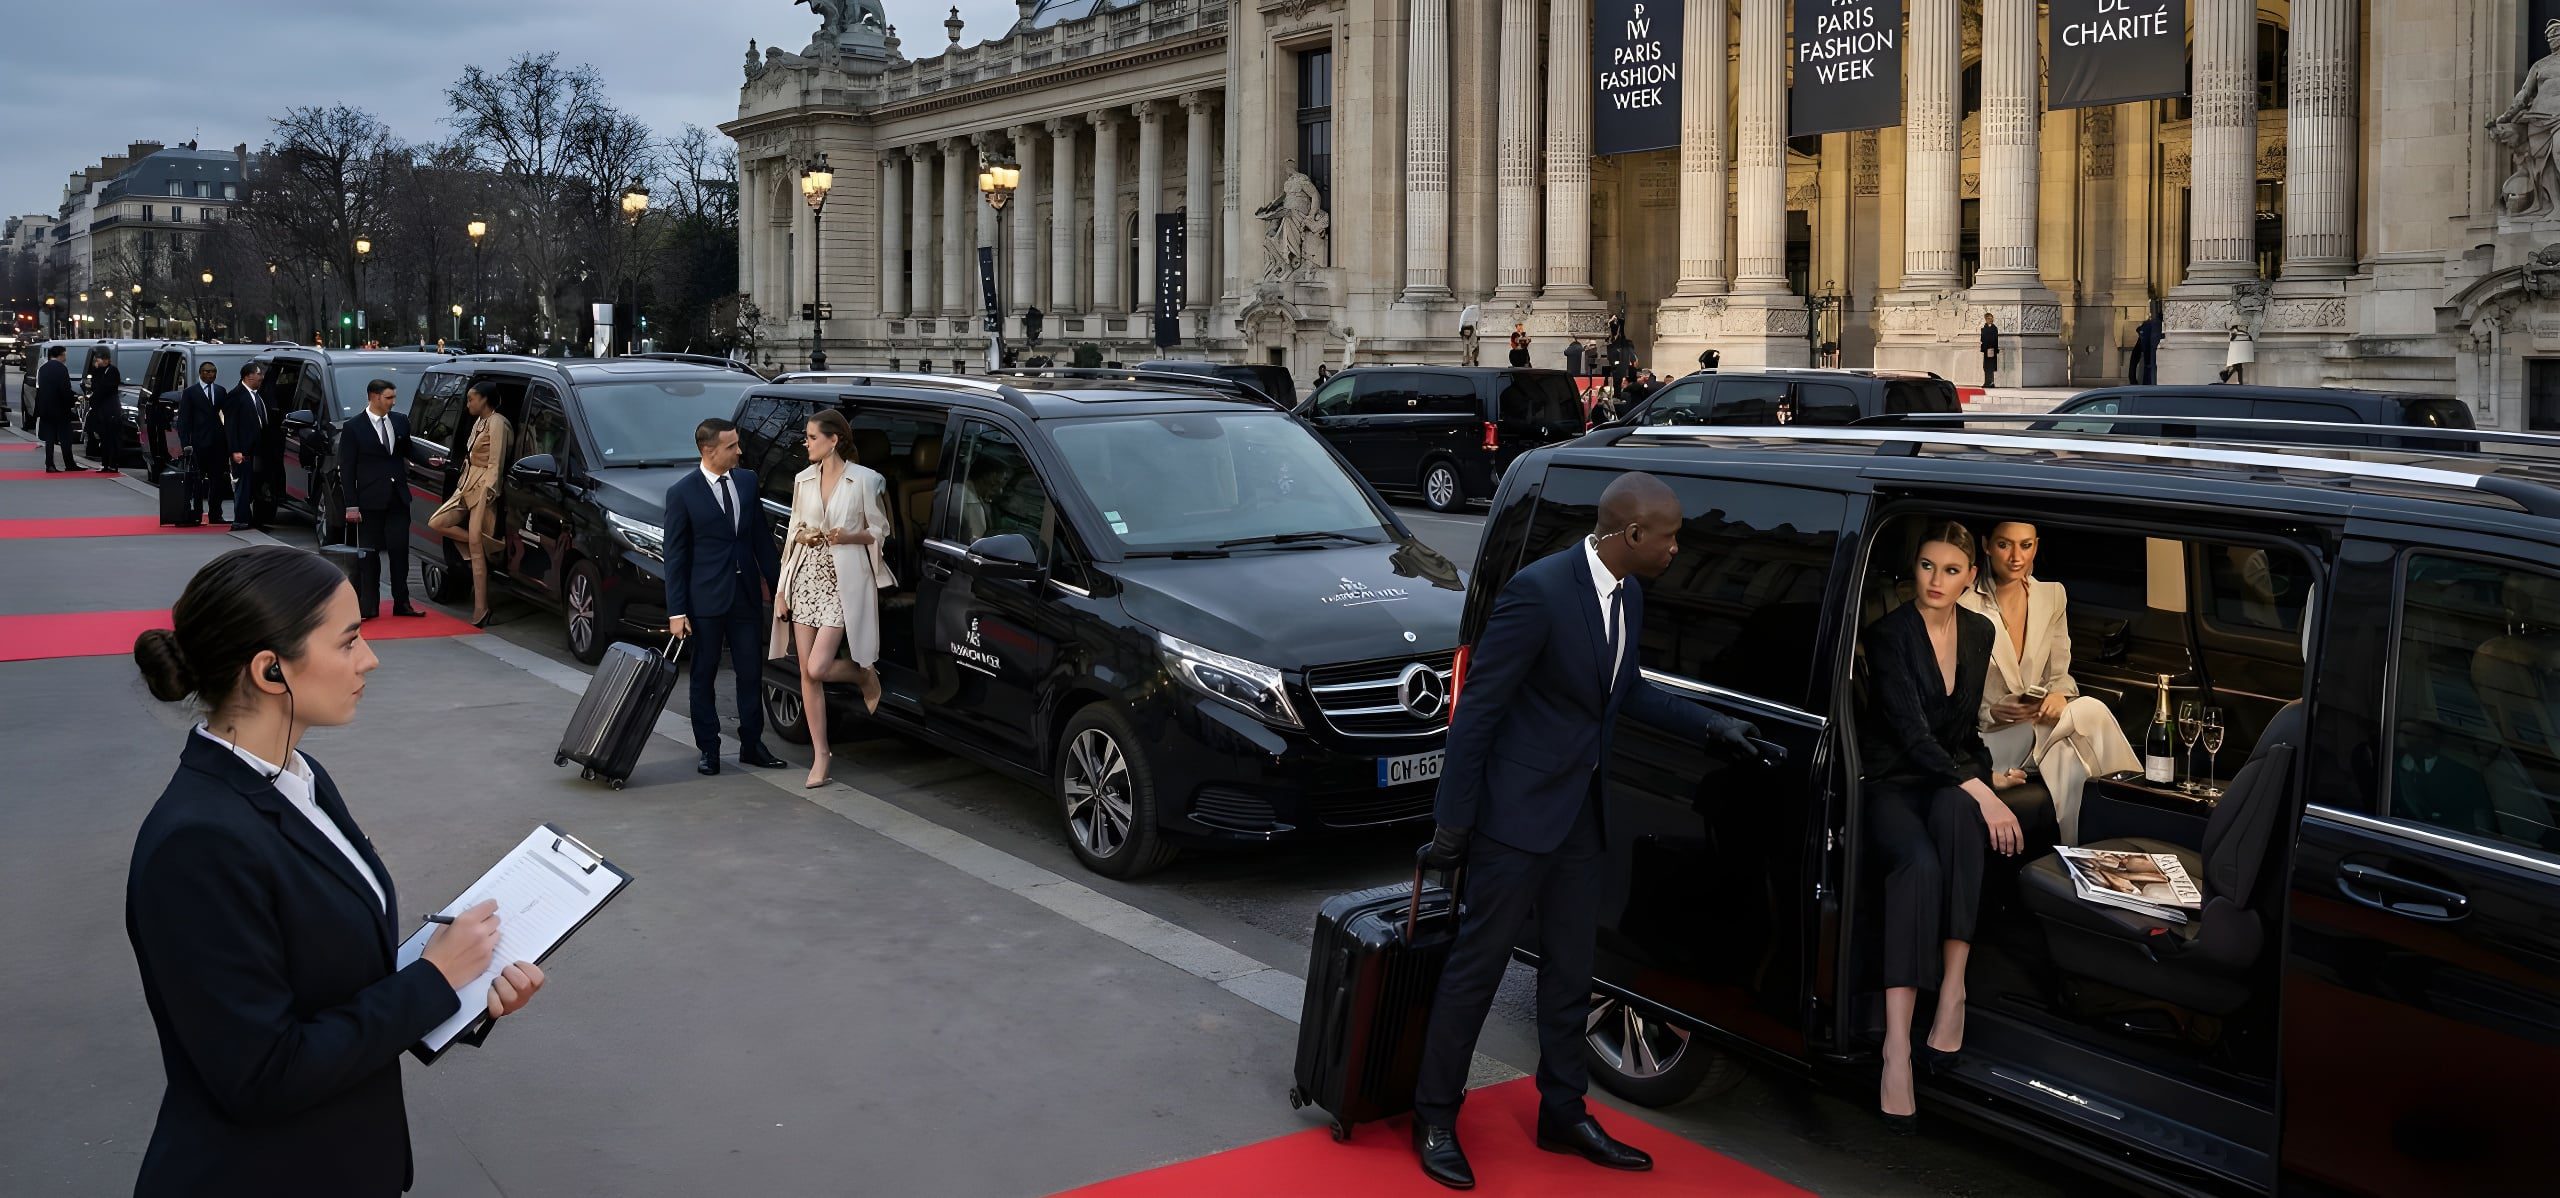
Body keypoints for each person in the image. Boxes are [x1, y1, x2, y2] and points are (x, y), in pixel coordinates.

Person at [124, 545, 544, 1195]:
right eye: (348, 641)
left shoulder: (298, 775)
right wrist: (432, 980)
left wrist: (463, 991)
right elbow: (261, 1076)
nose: (370, 659)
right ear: (271, 671)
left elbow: (331, 983)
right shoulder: (199, 844)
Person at [1410, 472, 1762, 1189]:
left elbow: (1624, 690)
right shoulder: (1539, 593)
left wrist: (1712, 725)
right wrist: (1453, 824)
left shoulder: (1628, 592)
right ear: (1632, 535)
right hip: (1514, 819)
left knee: (1573, 973)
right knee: (1476, 972)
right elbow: (1477, 712)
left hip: (1579, 818)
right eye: (1669, 537)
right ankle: (1435, 1115)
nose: (1676, 550)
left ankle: (1562, 1112)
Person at [1857, 521, 2030, 1128]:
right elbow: (1911, 734)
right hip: (1889, 781)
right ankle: (1896, 1047)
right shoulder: (1888, 635)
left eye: (1951, 570)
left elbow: (1963, 735)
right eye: (1927, 566)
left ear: (1970, 577)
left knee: (1961, 815)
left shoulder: (1980, 632)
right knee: (1919, 863)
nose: (1936, 580)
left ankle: (1953, 987)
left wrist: (1981, 782)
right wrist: (1982, 790)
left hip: (1945, 779)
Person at [1958, 521, 2139, 842]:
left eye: (2025, 545)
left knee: (2067, 757)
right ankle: (2142, 812)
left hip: (2041, 725)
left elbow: (2060, 677)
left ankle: (2078, 855)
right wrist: (1994, 713)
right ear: (1986, 545)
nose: (2016, 557)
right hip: (1991, 738)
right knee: (2091, 711)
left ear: (2036, 546)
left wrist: (2059, 696)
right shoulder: (1964, 605)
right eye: (2004, 545)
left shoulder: (2052, 596)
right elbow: (1956, 700)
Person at [770, 409, 893, 788]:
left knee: (819, 667)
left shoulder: (865, 481)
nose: (805, 443)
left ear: (833, 440)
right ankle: (820, 754)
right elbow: (792, 533)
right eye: (806, 437)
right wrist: (781, 590)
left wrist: (849, 536)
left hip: (843, 581)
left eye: (811, 437)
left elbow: (881, 530)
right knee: (807, 674)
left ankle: (863, 674)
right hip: (805, 576)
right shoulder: (803, 479)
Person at [664, 417, 785, 777]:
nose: (739, 451)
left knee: (750, 672)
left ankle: (752, 744)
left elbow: (761, 541)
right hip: (705, 601)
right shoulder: (682, 493)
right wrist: (677, 611)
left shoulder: (747, 482)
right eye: (732, 446)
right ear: (709, 450)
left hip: (745, 596)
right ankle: (709, 748)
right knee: (703, 674)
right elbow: (676, 556)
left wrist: (780, 589)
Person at [340, 379, 438, 621]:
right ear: (373, 397)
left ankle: (401, 602)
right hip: (369, 501)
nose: (393, 402)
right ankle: (369, 606)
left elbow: (408, 450)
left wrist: (431, 461)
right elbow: (347, 468)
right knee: (370, 555)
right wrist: (351, 505)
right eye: (388, 398)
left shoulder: (399, 421)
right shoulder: (354, 427)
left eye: (394, 397)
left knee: (399, 552)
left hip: (397, 498)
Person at [426, 384, 511, 627]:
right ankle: (486, 545)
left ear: (484, 400)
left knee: (475, 550)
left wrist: (490, 491)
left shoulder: (497, 423)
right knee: (438, 522)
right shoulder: (478, 423)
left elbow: (496, 461)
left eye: (472, 399)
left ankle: (481, 608)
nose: (468, 404)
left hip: (483, 487)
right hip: (467, 484)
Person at [175, 361, 234, 522]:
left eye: (213, 371)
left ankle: (216, 514)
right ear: (200, 373)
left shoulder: (220, 391)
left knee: (218, 479)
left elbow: (228, 415)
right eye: (207, 371)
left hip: (217, 442)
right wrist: (185, 443)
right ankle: (197, 513)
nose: (210, 374)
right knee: (197, 481)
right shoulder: (190, 392)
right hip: (197, 443)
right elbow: (184, 420)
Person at [221, 363, 276, 531]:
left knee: (256, 487)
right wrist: (235, 450)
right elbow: (230, 426)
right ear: (248, 377)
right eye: (259, 374)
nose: (261, 378)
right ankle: (241, 521)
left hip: (259, 451)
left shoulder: (258, 396)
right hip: (243, 451)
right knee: (242, 487)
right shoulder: (236, 396)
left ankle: (255, 520)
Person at [35, 343, 78, 473]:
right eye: (64, 355)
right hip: (60, 408)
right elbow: (64, 389)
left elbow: (40, 388)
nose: (65, 358)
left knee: (49, 438)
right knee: (65, 437)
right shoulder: (61, 369)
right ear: (60, 355)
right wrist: (72, 401)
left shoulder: (43, 369)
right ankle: (69, 463)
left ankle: (50, 464)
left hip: (46, 408)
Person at [85, 347, 126, 473]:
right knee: (103, 436)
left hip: (111, 408)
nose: (98, 362)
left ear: (107, 360)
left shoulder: (113, 371)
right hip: (101, 409)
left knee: (112, 437)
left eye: (100, 359)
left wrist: (94, 396)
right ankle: (105, 463)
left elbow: (105, 388)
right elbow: (95, 385)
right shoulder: (98, 371)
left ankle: (113, 463)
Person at [2130, 303, 2163, 385]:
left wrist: (2132, 377)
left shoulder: (2148, 326)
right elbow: (2136, 353)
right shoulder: (2151, 326)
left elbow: (2135, 354)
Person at [1979, 313, 2000, 388]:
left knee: (1991, 367)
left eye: (1991, 318)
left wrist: (1995, 349)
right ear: (1986, 319)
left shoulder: (1994, 328)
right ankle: (1986, 382)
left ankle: (1991, 382)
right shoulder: (1984, 328)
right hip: (1986, 349)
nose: (1990, 320)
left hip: (1991, 349)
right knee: (1986, 367)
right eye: (1988, 318)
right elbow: (1982, 339)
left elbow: (1995, 339)